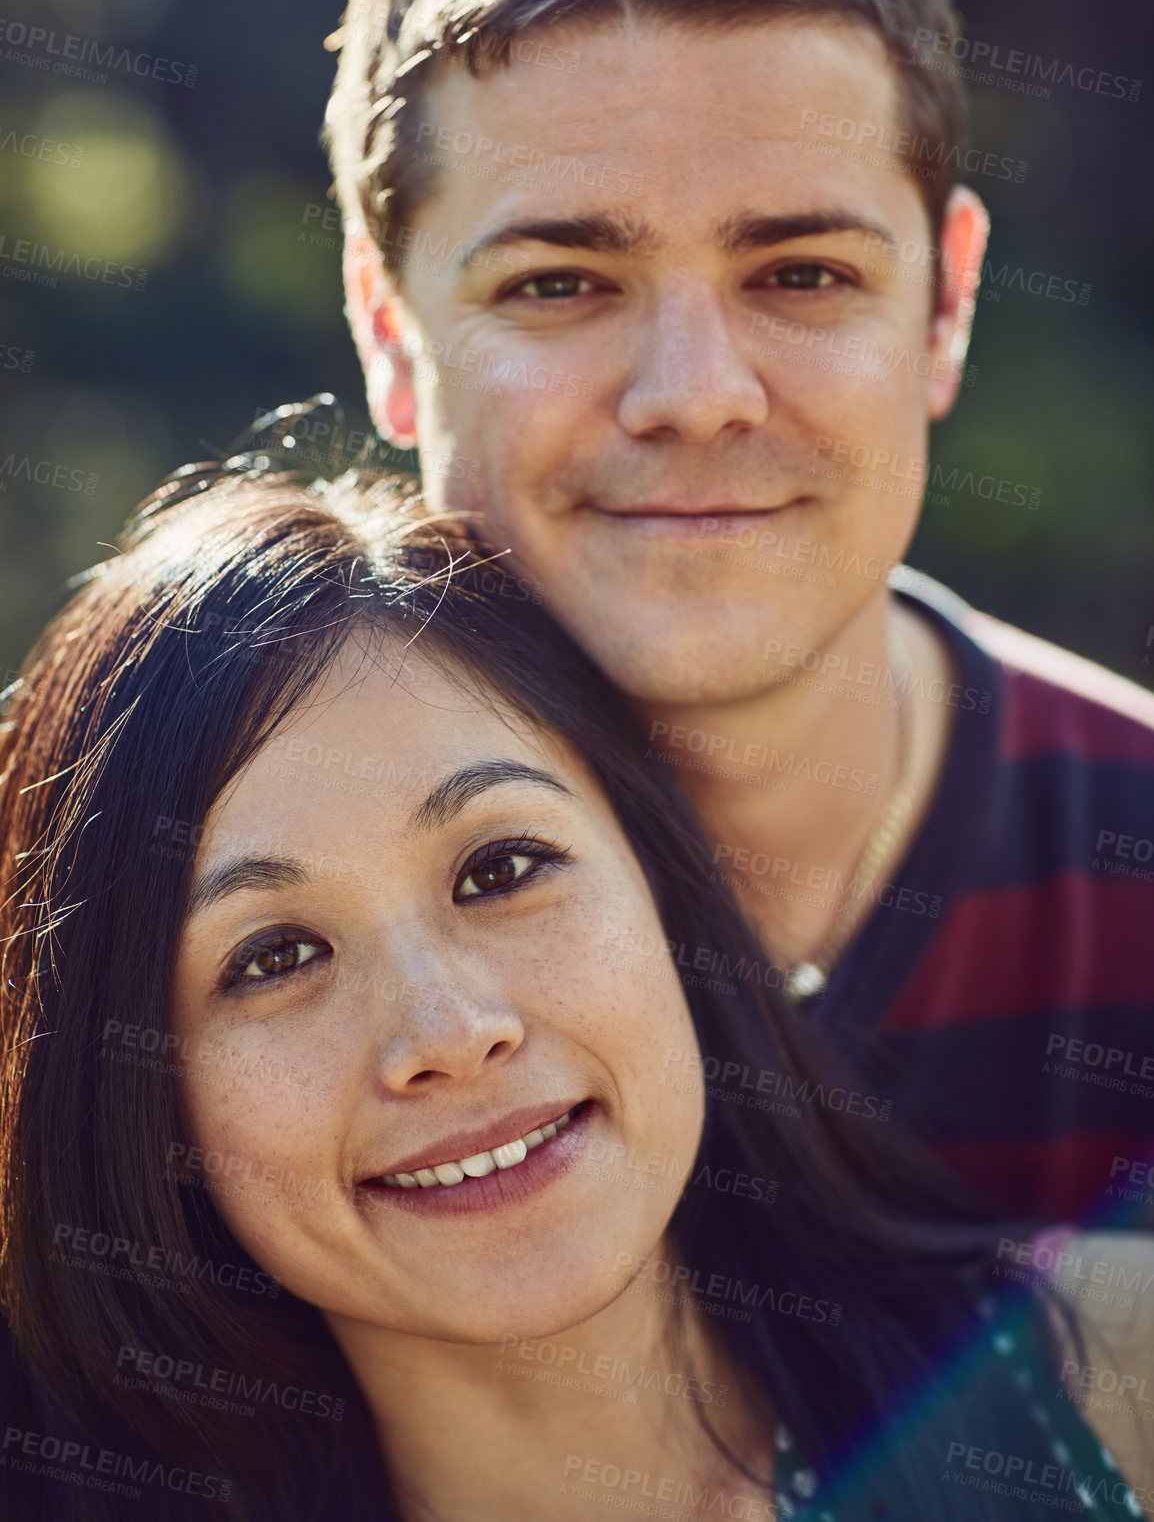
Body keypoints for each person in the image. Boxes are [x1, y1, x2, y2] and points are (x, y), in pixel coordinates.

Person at [0, 437, 1144, 1520]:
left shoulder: (1113, 1385)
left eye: (501, 868)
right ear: (140, 1094)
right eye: (274, 957)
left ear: (661, 881)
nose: (449, 1031)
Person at [323, 0, 1154, 1229]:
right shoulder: (141, 928)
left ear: (945, 305)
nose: (696, 395)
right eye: (560, 283)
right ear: (389, 333)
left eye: (801, 274)